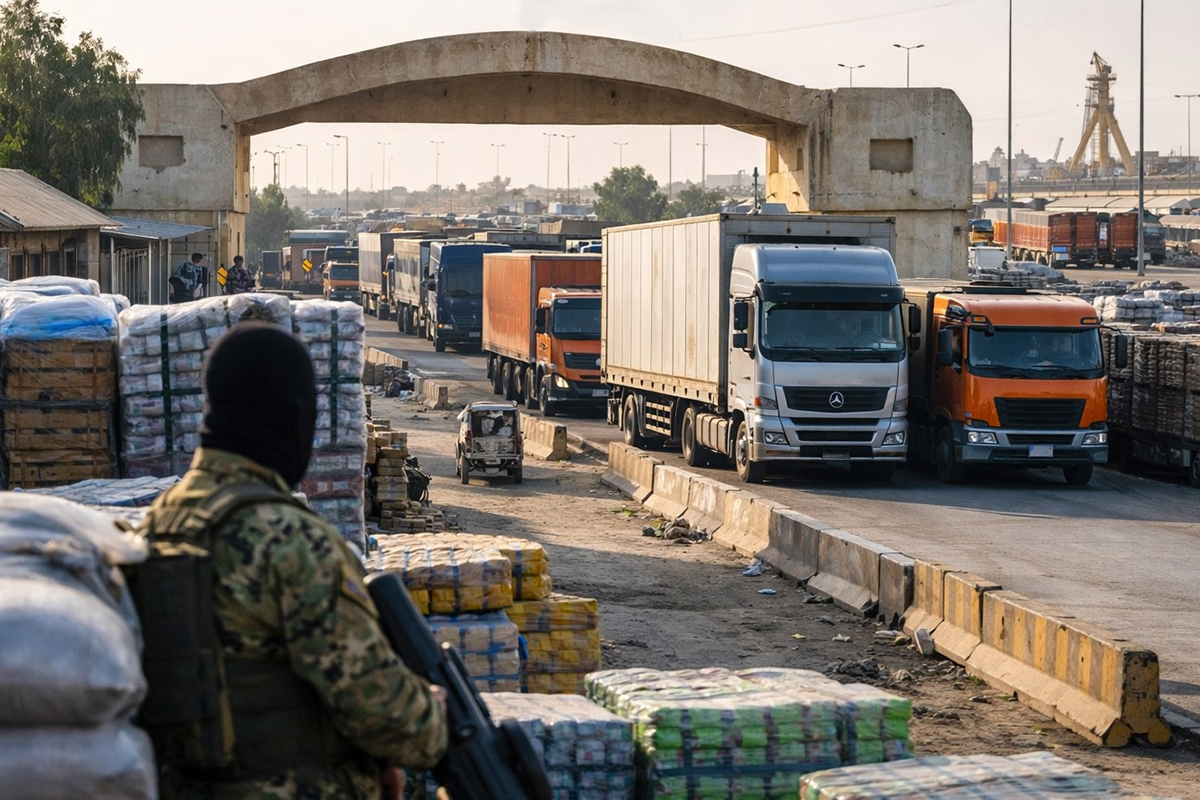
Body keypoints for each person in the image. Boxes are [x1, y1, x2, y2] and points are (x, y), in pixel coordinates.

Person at [144, 324, 447, 799]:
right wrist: (432, 712)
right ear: (295, 419)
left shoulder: (160, 523)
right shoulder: (293, 543)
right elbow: (390, 718)